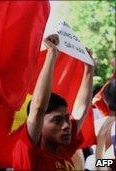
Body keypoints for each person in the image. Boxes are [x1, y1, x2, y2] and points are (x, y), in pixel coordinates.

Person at [12, 34, 94, 170]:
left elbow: (81, 109)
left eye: (67, 119)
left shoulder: (63, 150)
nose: (67, 126)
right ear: (37, 124)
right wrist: (52, 54)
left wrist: (89, 70)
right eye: (57, 120)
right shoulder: (31, 155)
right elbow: (38, 108)